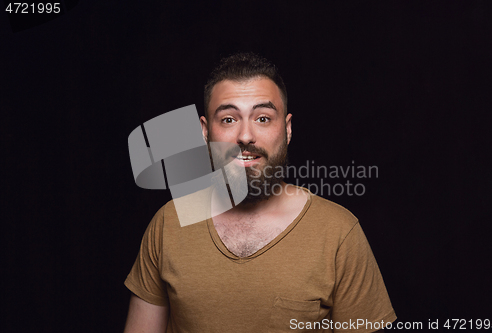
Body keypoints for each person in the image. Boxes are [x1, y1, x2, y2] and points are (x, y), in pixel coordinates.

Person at [123, 53, 396, 332]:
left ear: (287, 130)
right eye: (228, 119)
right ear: (205, 132)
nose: (244, 136)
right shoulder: (169, 224)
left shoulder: (339, 233)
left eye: (263, 118)